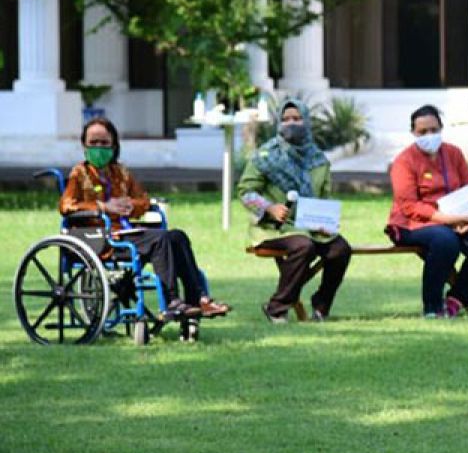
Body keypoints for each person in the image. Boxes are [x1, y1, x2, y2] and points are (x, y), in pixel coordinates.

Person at [60, 117, 230, 340]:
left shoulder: (121, 173)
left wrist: (131, 205)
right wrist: (103, 206)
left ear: (113, 145)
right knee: (160, 240)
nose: (99, 148)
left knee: (177, 236)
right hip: (101, 237)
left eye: (104, 143)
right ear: (84, 145)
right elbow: (66, 206)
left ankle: (196, 298)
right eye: (94, 143)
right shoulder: (79, 174)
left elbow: (144, 200)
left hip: (127, 231)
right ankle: (172, 301)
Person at [238, 98, 351, 324]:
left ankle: (321, 306)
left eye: (297, 119)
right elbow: (246, 191)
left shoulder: (318, 159)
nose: (291, 124)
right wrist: (269, 207)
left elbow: (324, 197)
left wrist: (325, 220)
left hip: (312, 226)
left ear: (307, 122)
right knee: (303, 246)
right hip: (275, 229)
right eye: (286, 119)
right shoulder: (265, 156)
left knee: (340, 250)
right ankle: (277, 307)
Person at [386, 104, 468, 318]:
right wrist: (448, 219)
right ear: (413, 133)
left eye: (434, 130)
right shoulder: (404, 161)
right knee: (445, 240)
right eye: (422, 132)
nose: (429, 135)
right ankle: (432, 307)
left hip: (458, 219)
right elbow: (409, 206)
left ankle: (456, 300)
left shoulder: (454, 153)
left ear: (441, 128)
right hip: (413, 223)